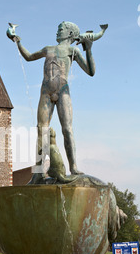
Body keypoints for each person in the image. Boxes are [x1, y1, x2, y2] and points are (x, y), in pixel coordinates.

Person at [11, 21, 95, 183]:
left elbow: (91, 71)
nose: (57, 32)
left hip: (63, 92)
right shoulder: (48, 49)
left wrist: (89, 49)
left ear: (70, 34)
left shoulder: (73, 51)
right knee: (41, 129)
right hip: (46, 93)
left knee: (67, 130)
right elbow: (28, 57)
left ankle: (73, 167)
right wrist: (17, 41)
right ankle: (39, 170)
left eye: (61, 29)